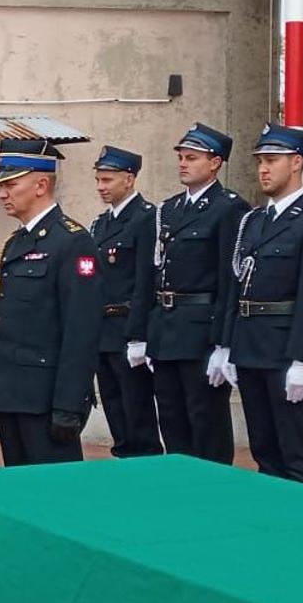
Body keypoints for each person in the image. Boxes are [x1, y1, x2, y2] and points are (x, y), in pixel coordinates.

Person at [223, 123, 303, 486]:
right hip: (251, 347)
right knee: (265, 449)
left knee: (296, 451)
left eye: (271, 160)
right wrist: (229, 344)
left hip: (286, 349)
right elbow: (238, 284)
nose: (262, 168)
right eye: (260, 160)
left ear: (296, 163)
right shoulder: (254, 221)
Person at [126, 123, 251, 464]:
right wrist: (142, 333)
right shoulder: (169, 209)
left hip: (201, 332)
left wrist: (224, 345)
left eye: (192, 158)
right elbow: (152, 276)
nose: (183, 163)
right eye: (181, 157)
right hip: (166, 329)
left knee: (205, 421)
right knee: (170, 416)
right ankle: (180, 488)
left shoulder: (229, 208)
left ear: (215, 163)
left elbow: (230, 280)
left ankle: (213, 494)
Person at [0, 139, 101, 466]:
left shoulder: (72, 241)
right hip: (12, 394)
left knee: (57, 499)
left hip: (45, 399)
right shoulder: (15, 242)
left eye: (10, 184)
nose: (2, 194)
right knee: (21, 496)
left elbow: (82, 330)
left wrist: (69, 404)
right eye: (1, 185)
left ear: (41, 184)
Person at [88, 148, 164, 458]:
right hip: (104, 329)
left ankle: (145, 468)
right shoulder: (101, 224)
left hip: (128, 327)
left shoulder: (146, 218)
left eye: (107, 179)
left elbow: (145, 279)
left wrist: (138, 336)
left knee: (137, 411)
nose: (101, 187)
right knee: (114, 406)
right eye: (97, 180)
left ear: (129, 179)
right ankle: (122, 460)